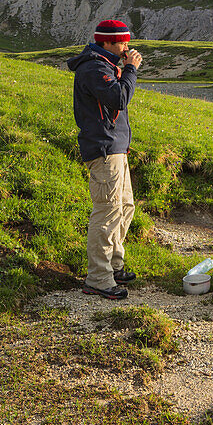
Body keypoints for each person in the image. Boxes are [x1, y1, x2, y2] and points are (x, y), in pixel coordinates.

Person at [68, 19, 143, 300]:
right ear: (108, 43)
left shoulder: (106, 64)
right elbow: (119, 98)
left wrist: (124, 69)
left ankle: (114, 264)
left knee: (124, 207)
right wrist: (131, 69)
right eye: (123, 41)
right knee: (107, 213)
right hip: (103, 150)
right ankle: (98, 277)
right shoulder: (94, 67)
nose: (127, 46)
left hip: (116, 148)